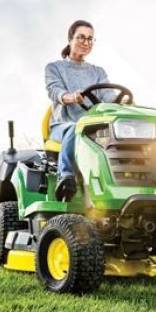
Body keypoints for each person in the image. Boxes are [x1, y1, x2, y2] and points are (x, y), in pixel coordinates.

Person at [45, 19, 114, 202]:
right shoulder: (55, 68)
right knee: (76, 128)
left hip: (95, 128)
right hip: (63, 126)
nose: (86, 42)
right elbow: (55, 91)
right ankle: (66, 177)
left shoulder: (98, 71)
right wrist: (71, 97)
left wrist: (124, 103)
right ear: (70, 39)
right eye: (81, 37)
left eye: (90, 39)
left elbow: (109, 96)